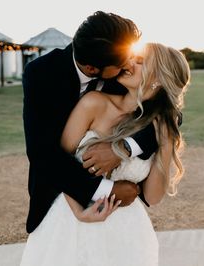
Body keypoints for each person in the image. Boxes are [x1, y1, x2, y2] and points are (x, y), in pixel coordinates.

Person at [20, 43, 190, 266]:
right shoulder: (93, 103)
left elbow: (152, 197)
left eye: (140, 62)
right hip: (71, 223)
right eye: (133, 58)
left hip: (127, 233)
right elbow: (59, 162)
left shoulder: (158, 126)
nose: (129, 63)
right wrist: (79, 210)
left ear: (157, 79)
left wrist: (166, 145)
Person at [22, 11, 158, 234]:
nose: (129, 64)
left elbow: (170, 116)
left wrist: (123, 148)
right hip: (58, 192)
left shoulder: (119, 68)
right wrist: (105, 189)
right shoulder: (41, 74)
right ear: (92, 69)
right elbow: (41, 153)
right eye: (123, 63)